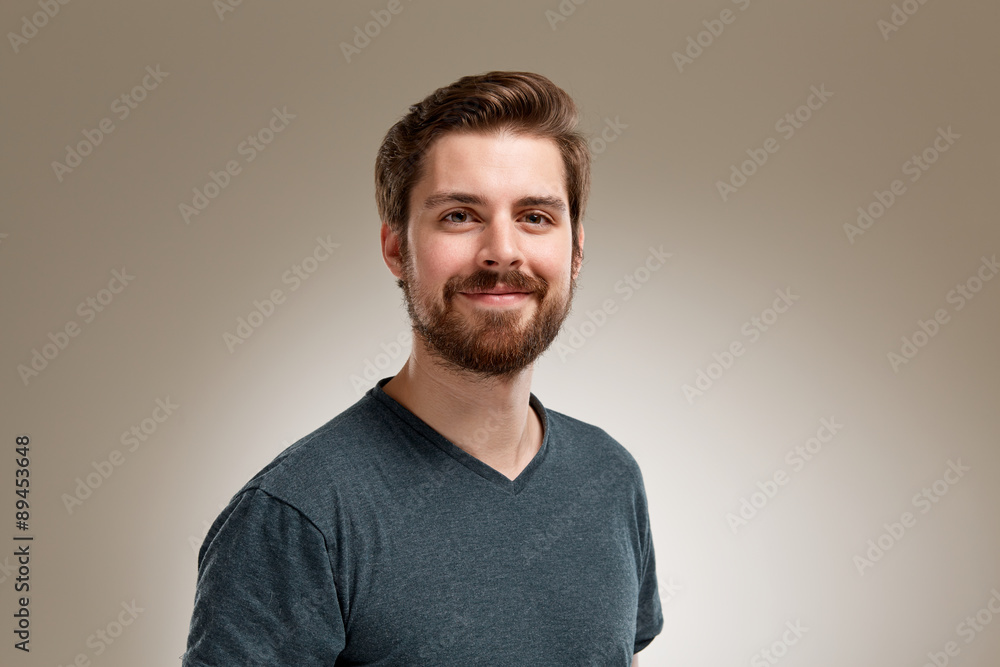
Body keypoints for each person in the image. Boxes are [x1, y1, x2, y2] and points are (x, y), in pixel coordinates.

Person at [182, 70, 663, 666]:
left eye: (535, 216)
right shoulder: (298, 517)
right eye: (459, 215)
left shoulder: (609, 477)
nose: (502, 250)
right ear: (395, 249)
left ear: (577, 250)